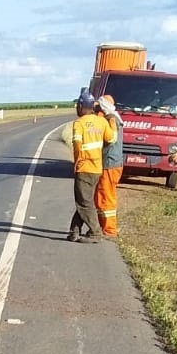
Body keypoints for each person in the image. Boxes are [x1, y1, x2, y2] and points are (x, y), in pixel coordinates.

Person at [69, 91, 115, 243]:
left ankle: (96, 232)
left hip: (84, 168)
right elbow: (111, 138)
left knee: (84, 202)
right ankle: (74, 231)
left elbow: (77, 146)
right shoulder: (101, 122)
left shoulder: (79, 123)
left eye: (78, 105)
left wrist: (76, 163)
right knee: (85, 200)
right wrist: (112, 121)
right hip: (96, 169)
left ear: (82, 106)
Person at [93, 94, 123, 238]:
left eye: (99, 106)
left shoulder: (111, 119)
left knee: (107, 197)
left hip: (110, 164)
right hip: (109, 163)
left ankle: (110, 230)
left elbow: (112, 138)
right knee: (101, 196)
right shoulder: (112, 117)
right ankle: (103, 226)